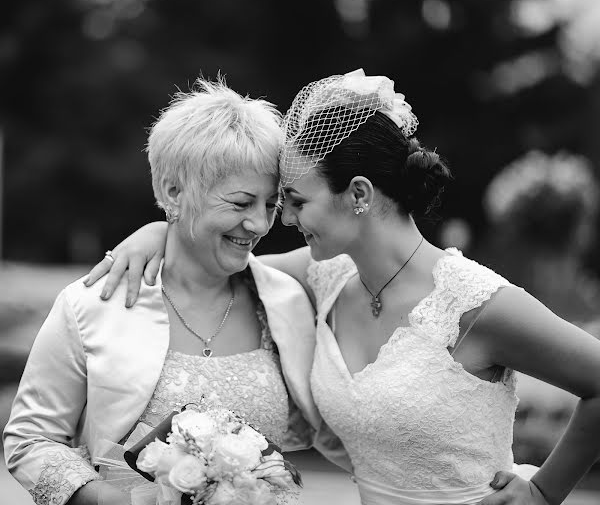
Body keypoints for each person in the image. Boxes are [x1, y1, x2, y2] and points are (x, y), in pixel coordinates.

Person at [84, 70, 600, 505]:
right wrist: (159, 230)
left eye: (295, 200)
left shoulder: (475, 304)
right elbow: (216, 262)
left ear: (357, 194)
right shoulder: (324, 276)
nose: (278, 219)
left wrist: (544, 492)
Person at [3, 79, 321, 505]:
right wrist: (118, 501)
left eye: (270, 204)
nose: (261, 225)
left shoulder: (288, 300)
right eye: (241, 203)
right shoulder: (92, 303)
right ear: (174, 191)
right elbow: (29, 440)